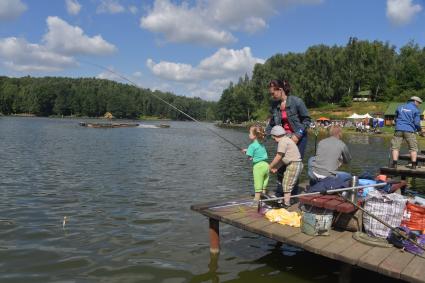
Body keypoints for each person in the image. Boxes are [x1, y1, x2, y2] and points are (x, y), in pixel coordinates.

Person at [266, 79, 311, 197]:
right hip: (283, 139)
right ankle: (280, 193)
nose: (272, 96)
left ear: (280, 90)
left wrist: (298, 135)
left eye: (273, 93)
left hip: (299, 138)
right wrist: (263, 134)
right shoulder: (274, 105)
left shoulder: (297, 102)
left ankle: (292, 195)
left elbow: (307, 120)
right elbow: (272, 123)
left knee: (293, 166)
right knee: (281, 165)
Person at [269, 126, 303, 208]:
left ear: (275, 136)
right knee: (287, 183)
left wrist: (270, 166)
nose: (274, 141)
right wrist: (276, 168)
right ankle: (288, 200)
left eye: (273, 138)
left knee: (287, 185)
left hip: (293, 164)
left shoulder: (282, 142)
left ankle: (286, 203)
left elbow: (279, 156)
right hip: (296, 164)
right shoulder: (287, 140)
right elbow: (283, 159)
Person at [391, 96, 424, 169]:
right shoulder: (416, 110)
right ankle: (414, 165)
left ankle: (394, 164)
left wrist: (399, 124)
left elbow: (395, 118)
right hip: (409, 130)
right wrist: (420, 131)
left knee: (395, 147)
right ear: (415, 101)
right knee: (413, 148)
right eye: (419, 103)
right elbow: (417, 123)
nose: (419, 104)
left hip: (398, 129)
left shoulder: (400, 107)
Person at [242, 125, 269, 202]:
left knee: (258, 184)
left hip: (258, 167)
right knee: (264, 184)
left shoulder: (252, 145)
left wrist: (247, 153)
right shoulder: (261, 144)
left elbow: (249, 157)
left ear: (254, 135)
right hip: (266, 165)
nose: (249, 135)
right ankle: (263, 198)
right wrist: (248, 150)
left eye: (250, 133)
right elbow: (258, 152)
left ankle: (256, 201)